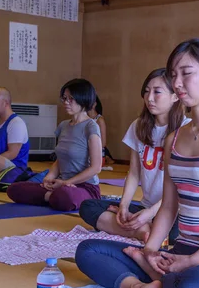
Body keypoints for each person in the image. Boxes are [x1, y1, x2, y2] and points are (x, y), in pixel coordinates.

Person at [75, 38, 199, 288]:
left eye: (186, 73)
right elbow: (169, 207)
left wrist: (192, 260)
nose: (177, 83)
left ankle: (158, 283)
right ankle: (144, 284)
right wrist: (150, 251)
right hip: (177, 251)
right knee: (87, 251)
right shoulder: (174, 139)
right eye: (174, 75)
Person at [79, 68, 187, 242]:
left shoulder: (186, 130)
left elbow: (183, 186)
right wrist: (124, 206)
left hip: (174, 210)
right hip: (146, 207)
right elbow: (134, 172)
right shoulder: (139, 126)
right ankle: (141, 231)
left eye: (157, 92)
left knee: (177, 235)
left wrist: (150, 214)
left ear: (175, 96)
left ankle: (146, 227)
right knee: (88, 207)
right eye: (146, 91)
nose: (149, 98)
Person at [7, 79, 102, 211]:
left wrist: (67, 183)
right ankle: (52, 196)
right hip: (60, 185)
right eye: (64, 98)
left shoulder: (91, 127)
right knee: (14, 189)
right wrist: (49, 177)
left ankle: (53, 197)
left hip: (84, 187)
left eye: (71, 99)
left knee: (64, 197)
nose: (66, 102)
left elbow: (96, 167)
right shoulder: (63, 126)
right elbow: (61, 158)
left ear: (83, 99)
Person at [88, 96, 114, 167]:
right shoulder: (84, 119)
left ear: (94, 104)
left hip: (95, 153)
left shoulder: (100, 120)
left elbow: (103, 143)